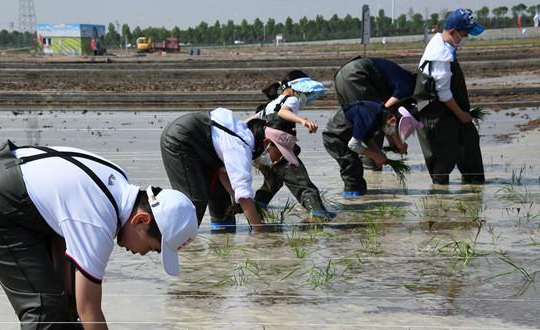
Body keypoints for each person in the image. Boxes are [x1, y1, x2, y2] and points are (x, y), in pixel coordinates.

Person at [0, 141, 198, 330]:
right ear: (141, 220)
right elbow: (90, 309)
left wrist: (66, 292)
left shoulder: (119, 186)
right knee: (43, 303)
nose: (144, 253)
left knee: (66, 291)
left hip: (8, 183)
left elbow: (63, 229)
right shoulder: (99, 220)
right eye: (153, 247)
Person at [160, 107, 300, 231]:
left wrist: (233, 195)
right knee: (195, 199)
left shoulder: (244, 136)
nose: (278, 159)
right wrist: (259, 229)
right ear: (267, 143)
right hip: (180, 139)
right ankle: (173, 238)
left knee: (220, 196)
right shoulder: (240, 148)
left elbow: (222, 172)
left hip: (199, 143)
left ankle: (222, 230)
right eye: (280, 154)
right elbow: (244, 194)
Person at [413, 8, 485, 185]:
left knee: (469, 148)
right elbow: (444, 94)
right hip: (436, 117)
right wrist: (462, 115)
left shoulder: (442, 42)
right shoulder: (441, 55)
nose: (465, 38)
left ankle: (474, 188)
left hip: (449, 112)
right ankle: (438, 204)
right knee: (441, 167)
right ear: (453, 32)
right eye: (465, 34)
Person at [253, 70, 334, 222]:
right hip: (277, 149)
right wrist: (302, 121)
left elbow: (252, 119)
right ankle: (318, 214)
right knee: (301, 182)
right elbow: (284, 113)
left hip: (261, 151)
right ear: (292, 88)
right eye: (303, 91)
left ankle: (258, 206)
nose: (304, 96)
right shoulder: (291, 100)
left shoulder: (271, 103)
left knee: (274, 181)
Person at [322, 98, 422, 196]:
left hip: (346, 137)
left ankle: (360, 194)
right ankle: (350, 196)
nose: (392, 134)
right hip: (334, 137)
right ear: (392, 120)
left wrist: (379, 153)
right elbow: (353, 145)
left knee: (357, 172)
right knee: (351, 165)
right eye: (394, 131)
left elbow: (367, 138)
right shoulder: (371, 117)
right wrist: (375, 155)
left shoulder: (381, 115)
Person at [334, 57, 416, 170]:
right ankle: (371, 166)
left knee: (359, 124)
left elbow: (385, 117)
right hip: (357, 74)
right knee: (370, 122)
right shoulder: (408, 87)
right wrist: (398, 142)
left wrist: (393, 142)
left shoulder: (402, 79)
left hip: (342, 75)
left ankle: (363, 167)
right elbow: (384, 113)